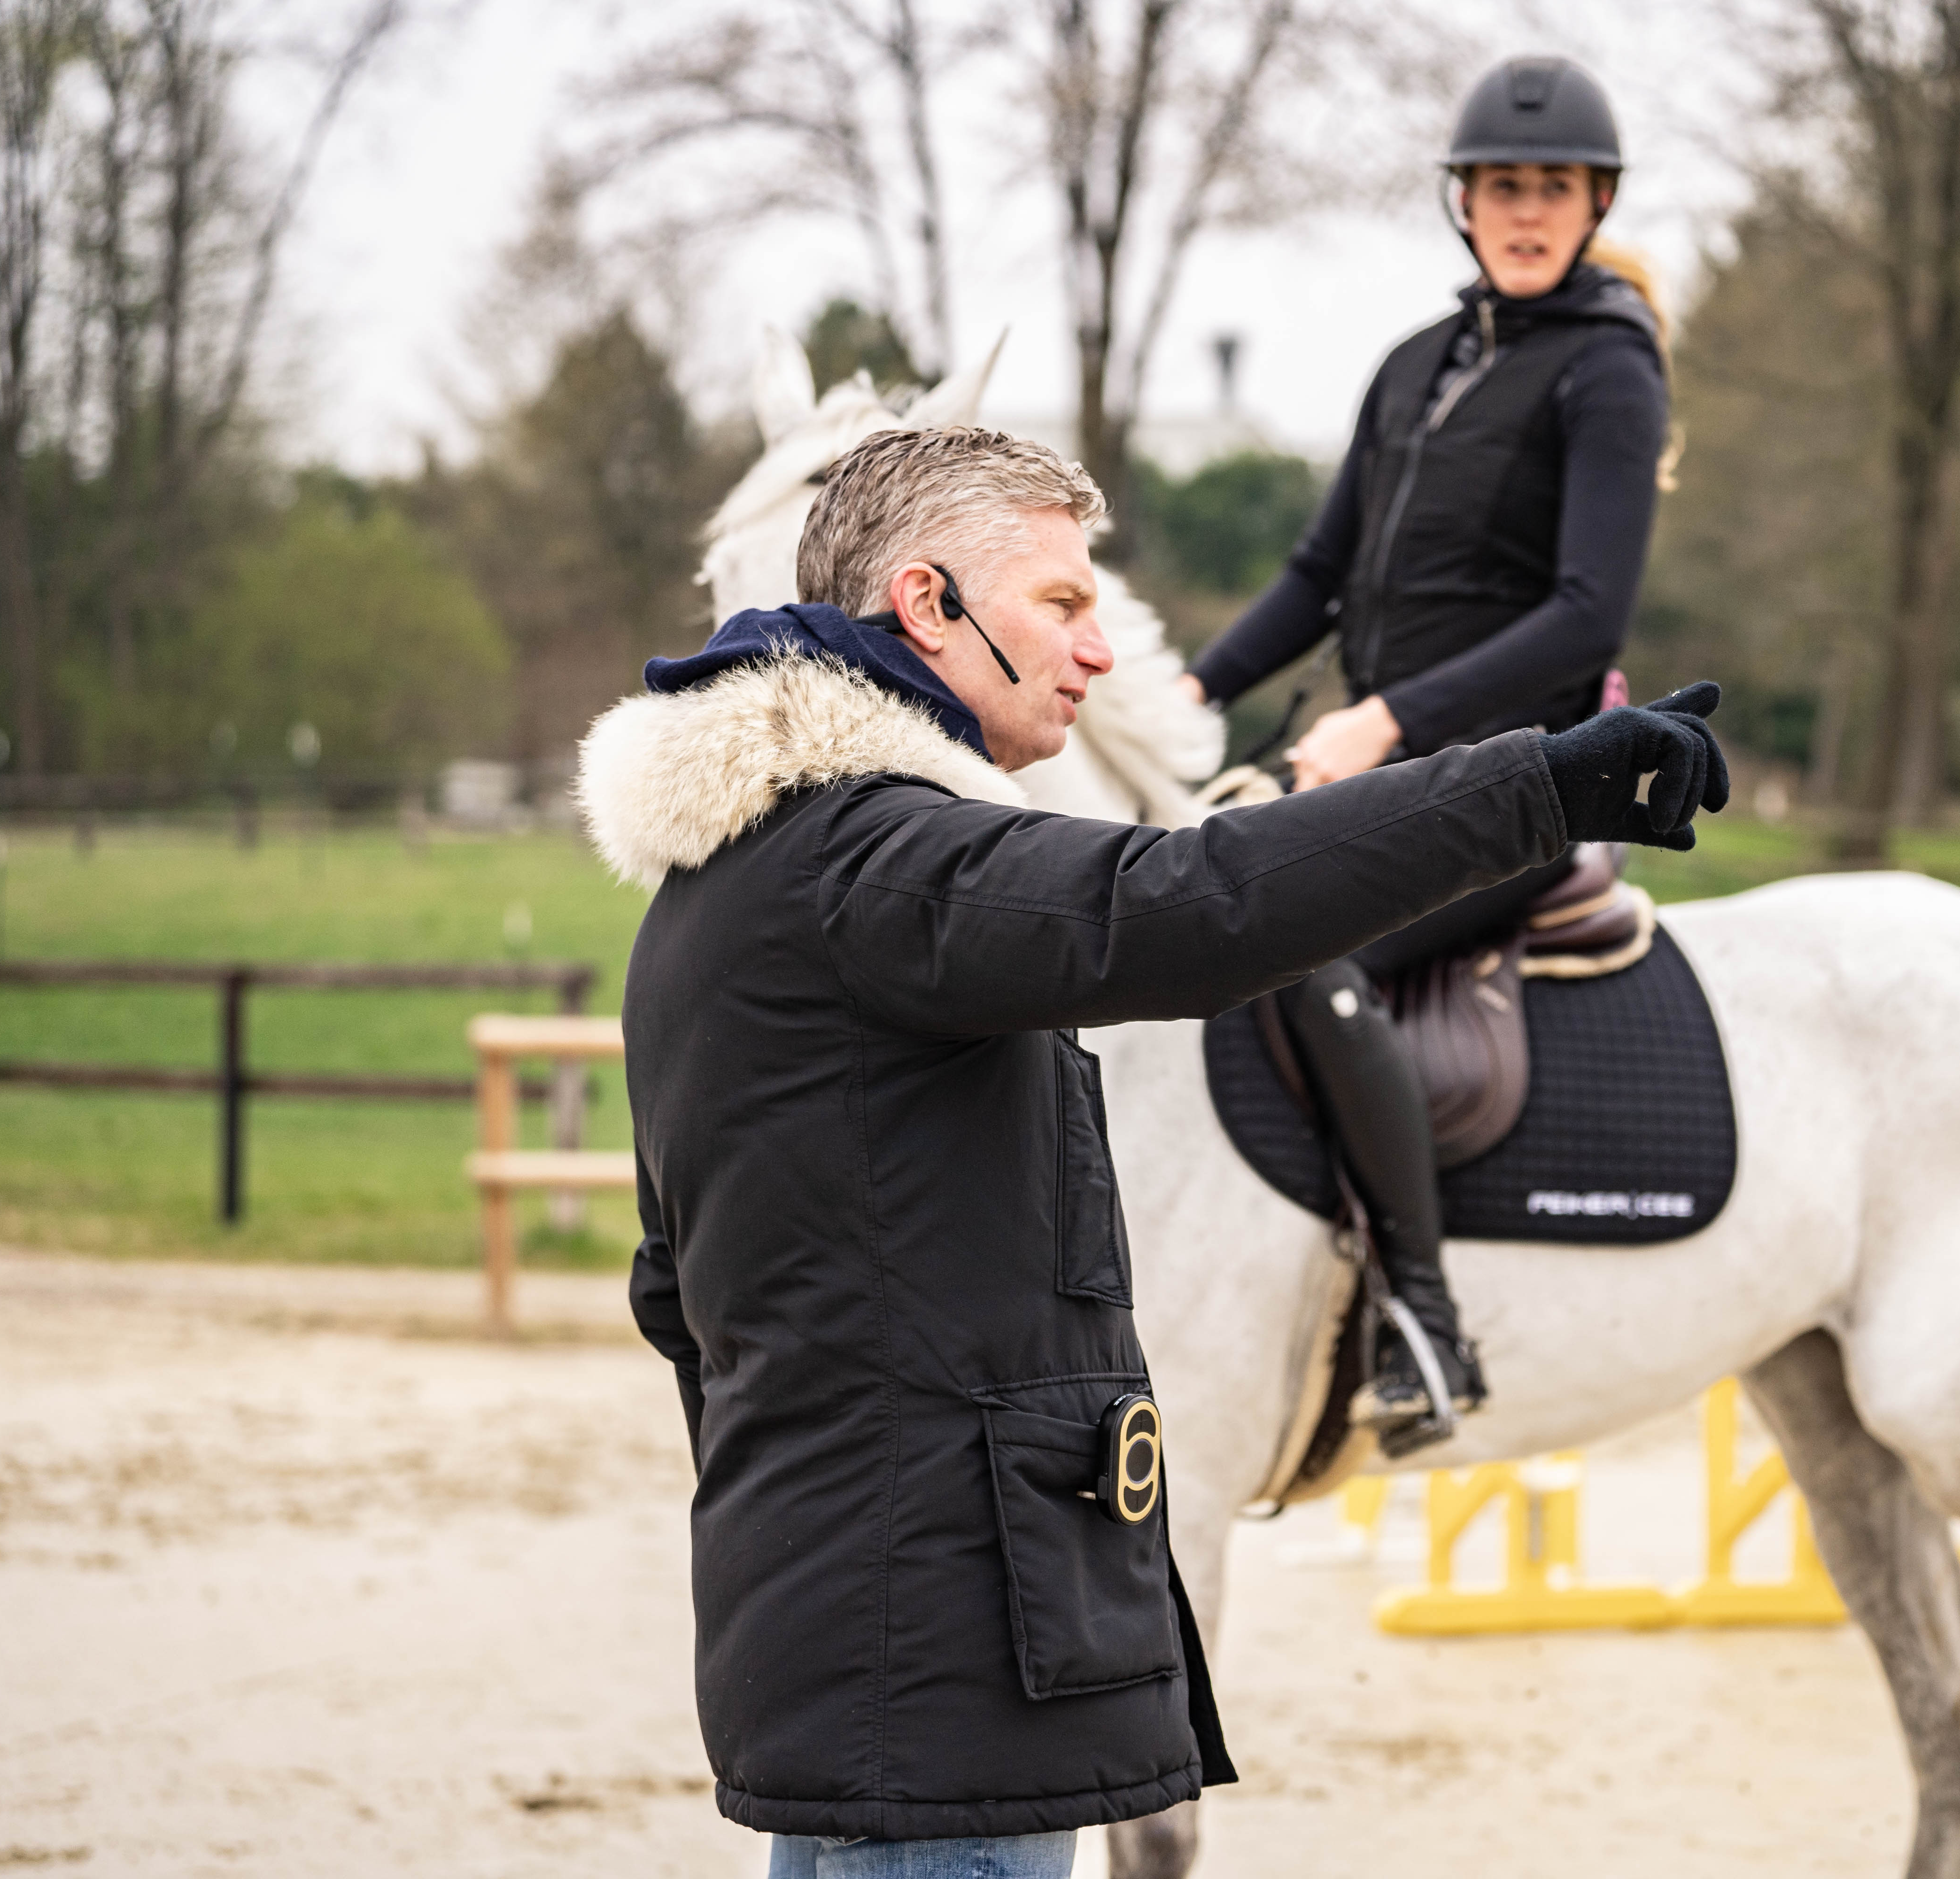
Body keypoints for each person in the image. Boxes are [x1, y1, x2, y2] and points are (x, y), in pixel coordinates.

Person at [577, 423, 1727, 1878]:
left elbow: (671, 1293)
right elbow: (1186, 905)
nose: (1100, 650)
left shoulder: (727, 882)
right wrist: (1536, 793)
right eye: (1061, 605)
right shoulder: (881, 864)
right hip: (950, 1651)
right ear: (928, 606)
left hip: (838, 1623)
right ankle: (1416, 1307)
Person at [1176, 54, 1671, 1452]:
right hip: (1377, 775)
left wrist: (1387, 719)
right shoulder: (1414, 366)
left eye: (1552, 190)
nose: (1526, 212)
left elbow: (1589, 616)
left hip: (1524, 786)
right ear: (1463, 203)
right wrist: (1168, 691)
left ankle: (1424, 1319)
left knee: (1303, 942)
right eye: (1502, 187)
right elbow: (1318, 572)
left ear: (1594, 203)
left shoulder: (1611, 370)